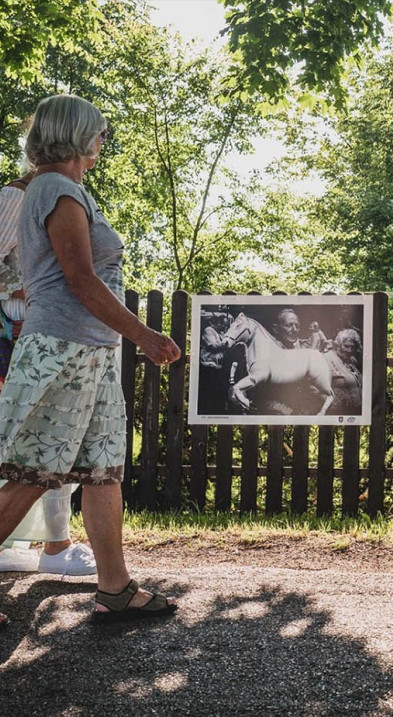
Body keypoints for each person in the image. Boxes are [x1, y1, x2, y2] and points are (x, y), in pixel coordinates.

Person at [0, 94, 181, 628]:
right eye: (99, 133)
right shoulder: (54, 188)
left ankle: (116, 589)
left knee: (103, 471)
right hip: (64, 350)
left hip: (91, 352)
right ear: (77, 135)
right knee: (35, 470)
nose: (103, 141)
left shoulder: (67, 189)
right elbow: (80, 279)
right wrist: (145, 335)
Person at [0, 169, 96, 577]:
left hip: (54, 332)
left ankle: (51, 542)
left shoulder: (65, 195)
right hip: (16, 338)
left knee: (58, 439)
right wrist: (18, 286)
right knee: (38, 440)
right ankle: (52, 545)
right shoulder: (13, 196)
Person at [324, 328, 363, 415]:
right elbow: (315, 388)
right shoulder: (326, 359)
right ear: (337, 345)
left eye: (352, 347)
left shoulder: (352, 360)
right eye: (346, 346)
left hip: (353, 414)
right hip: (334, 413)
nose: (349, 350)